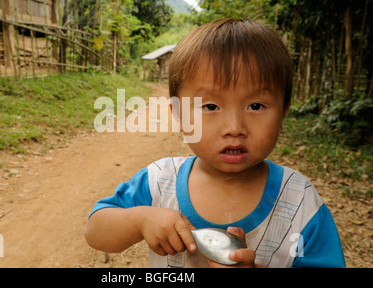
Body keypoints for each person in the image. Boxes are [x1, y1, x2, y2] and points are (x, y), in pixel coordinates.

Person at [84, 18, 346, 268]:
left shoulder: (300, 203)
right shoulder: (159, 182)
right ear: (178, 113)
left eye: (256, 106)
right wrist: (140, 220)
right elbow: (95, 230)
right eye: (210, 106)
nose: (234, 127)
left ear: (284, 111)